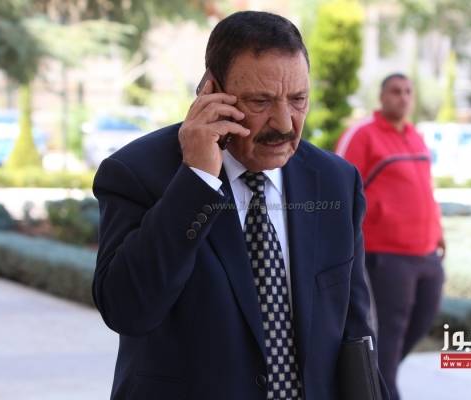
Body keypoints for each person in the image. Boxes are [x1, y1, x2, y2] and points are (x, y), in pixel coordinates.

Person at [92, 11, 378, 400]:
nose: (284, 123)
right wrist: (196, 180)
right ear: (211, 92)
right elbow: (128, 309)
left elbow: (356, 333)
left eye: (298, 100)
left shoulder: (336, 180)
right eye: (261, 101)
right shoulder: (136, 173)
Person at [336, 73, 445, 400]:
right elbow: (339, 188)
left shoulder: (416, 136)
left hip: (427, 254)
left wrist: (438, 230)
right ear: (382, 96)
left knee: (421, 322)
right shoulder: (363, 135)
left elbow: (425, 189)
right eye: (396, 91)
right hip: (386, 257)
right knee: (387, 338)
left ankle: (377, 380)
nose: (403, 97)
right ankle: (383, 389)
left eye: (408, 91)